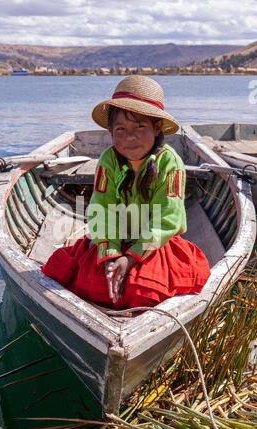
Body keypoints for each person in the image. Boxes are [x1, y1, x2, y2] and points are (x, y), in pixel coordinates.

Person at [41, 75, 210, 310]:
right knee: (66, 273)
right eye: (121, 129)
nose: (130, 137)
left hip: (153, 243)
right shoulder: (109, 159)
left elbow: (168, 219)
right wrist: (111, 255)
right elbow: (102, 209)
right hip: (115, 240)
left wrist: (130, 258)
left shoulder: (169, 162)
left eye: (140, 126)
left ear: (157, 127)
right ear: (110, 130)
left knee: (144, 291)